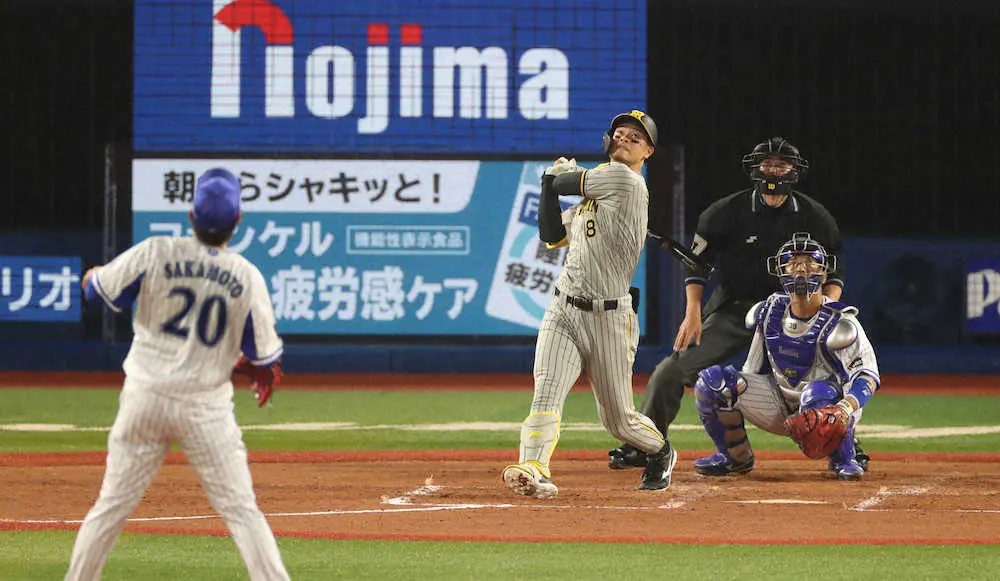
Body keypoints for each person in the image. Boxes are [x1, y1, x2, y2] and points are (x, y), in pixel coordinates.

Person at [65, 168, 290, 581]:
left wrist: (92, 276)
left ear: (191, 215)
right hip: (205, 407)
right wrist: (242, 362)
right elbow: (263, 357)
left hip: (144, 397)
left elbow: (96, 292)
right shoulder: (246, 275)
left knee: (111, 505)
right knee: (241, 510)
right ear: (238, 221)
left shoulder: (156, 251)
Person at [606, 137, 869, 472]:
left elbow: (835, 271)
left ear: (794, 171)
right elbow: (697, 264)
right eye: (767, 163)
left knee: (827, 376)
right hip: (735, 310)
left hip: (797, 315)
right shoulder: (726, 211)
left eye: (781, 164)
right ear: (755, 168)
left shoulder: (815, 217)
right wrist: (692, 312)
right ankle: (644, 445)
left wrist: (825, 310)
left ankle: (845, 444)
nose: (773, 170)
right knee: (670, 371)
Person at [502, 110, 677, 497]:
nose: (626, 138)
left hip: (610, 317)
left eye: (636, 137)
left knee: (619, 421)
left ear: (648, 151)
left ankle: (661, 451)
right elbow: (550, 234)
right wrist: (551, 183)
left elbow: (565, 181)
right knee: (546, 392)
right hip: (563, 308)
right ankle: (534, 466)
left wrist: (556, 176)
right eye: (620, 133)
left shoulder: (625, 182)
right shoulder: (591, 199)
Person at [692, 233, 879, 480]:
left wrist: (845, 408)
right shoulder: (768, 311)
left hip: (828, 409)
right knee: (712, 382)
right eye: (793, 263)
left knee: (817, 393)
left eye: (810, 263)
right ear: (780, 271)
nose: (801, 270)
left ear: (824, 273)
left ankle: (844, 458)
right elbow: (752, 368)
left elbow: (867, 376)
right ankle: (734, 457)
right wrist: (737, 389)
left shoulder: (841, 323)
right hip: (779, 403)